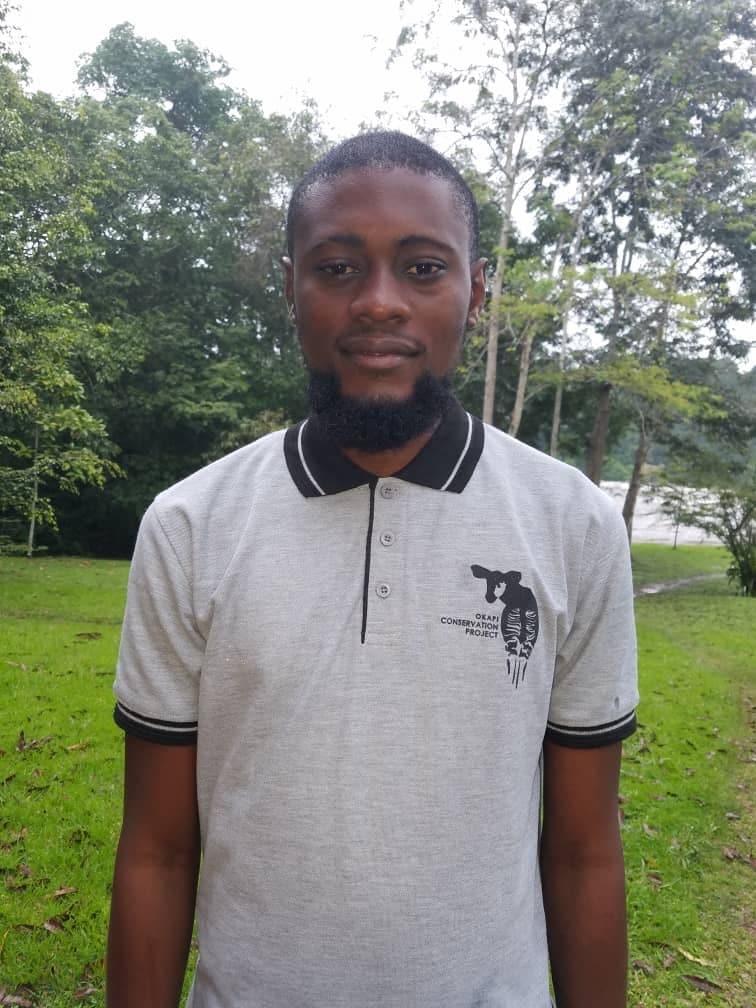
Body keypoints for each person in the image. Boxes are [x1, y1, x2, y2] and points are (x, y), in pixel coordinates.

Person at [107, 131, 638, 1008]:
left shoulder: (572, 524)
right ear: (292, 289)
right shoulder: (190, 526)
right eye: (338, 268)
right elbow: (157, 853)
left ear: (476, 292)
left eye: (424, 268)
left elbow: (584, 853)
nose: (379, 303)